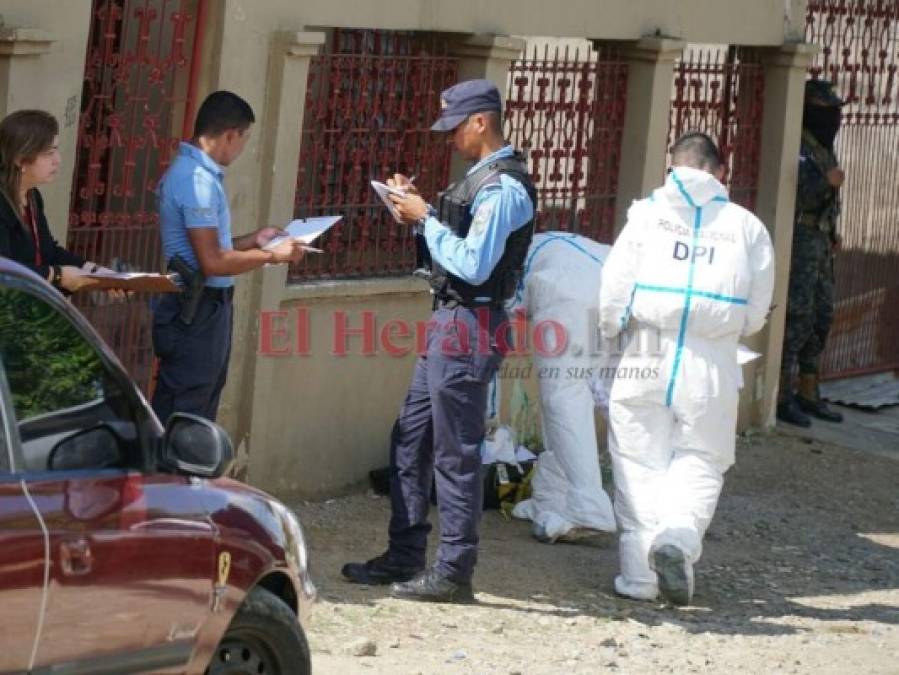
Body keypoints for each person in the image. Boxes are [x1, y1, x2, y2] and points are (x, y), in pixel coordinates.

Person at [341, 79, 536, 603]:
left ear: (481, 122)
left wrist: (425, 217)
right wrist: (412, 211)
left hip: (470, 325)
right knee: (410, 438)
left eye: (456, 127)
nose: (449, 138)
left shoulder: (502, 188)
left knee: (455, 452)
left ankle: (454, 572)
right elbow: (451, 248)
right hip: (451, 322)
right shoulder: (478, 181)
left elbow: (474, 265)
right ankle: (405, 555)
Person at [598, 132, 775, 605]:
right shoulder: (748, 228)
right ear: (722, 171)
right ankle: (677, 539)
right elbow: (757, 314)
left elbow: (613, 290)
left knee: (637, 463)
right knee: (702, 457)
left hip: (646, 351)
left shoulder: (646, 216)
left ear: (670, 167)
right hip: (712, 360)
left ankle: (639, 578)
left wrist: (614, 333)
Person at [151, 91, 303, 424]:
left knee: (199, 407)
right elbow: (213, 262)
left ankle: (182, 475)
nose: (242, 148)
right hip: (194, 310)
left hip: (205, 307)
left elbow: (210, 249)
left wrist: (254, 240)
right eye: (243, 140)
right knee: (184, 415)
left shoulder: (198, 175)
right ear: (230, 136)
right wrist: (270, 255)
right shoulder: (195, 181)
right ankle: (166, 477)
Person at [509, 232, 617, 543]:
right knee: (607, 402)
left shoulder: (488, 263)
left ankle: (588, 508)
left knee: (562, 398)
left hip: (568, 291)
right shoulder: (540, 241)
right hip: (615, 285)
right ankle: (552, 498)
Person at [777, 80, 845, 427]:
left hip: (820, 242)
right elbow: (801, 195)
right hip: (801, 241)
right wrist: (827, 183)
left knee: (821, 316)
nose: (832, 118)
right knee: (797, 318)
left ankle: (808, 392)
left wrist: (833, 232)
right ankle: (782, 396)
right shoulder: (799, 146)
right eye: (825, 109)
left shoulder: (822, 147)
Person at [0, 110, 113, 295]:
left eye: (57, 150)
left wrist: (96, 272)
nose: (57, 160)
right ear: (20, 159)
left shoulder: (32, 196)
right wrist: (58, 275)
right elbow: (4, 269)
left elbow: (49, 252)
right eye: (49, 153)